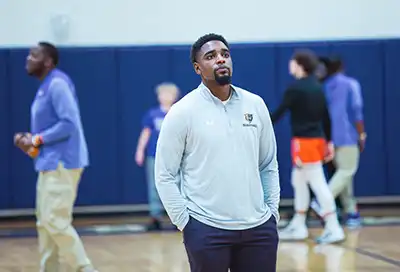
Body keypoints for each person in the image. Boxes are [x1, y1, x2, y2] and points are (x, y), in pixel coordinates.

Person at [155, 33, 280, 272]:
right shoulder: (182, 112)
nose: (221, 59)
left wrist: (271, 213)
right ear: (197, 68)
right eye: (211, 56)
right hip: (206, 229)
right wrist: (186, 223)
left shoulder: (255, 104)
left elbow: (268, 164)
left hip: (258, 229)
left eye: (225, 54)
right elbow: (165, 174)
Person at [14, 41, 97, 272]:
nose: (28, 59)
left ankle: (85, 268)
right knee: (45, 223)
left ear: (48, 61)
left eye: (34, 55)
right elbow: (49, 132)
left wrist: (36, 139)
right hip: (48, 163)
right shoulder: (46, 86)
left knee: (55, 221)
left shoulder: (57, 84)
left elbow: (69, 124)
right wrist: (31, 142)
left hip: (63, 162)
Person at [271, 49, 345, 244]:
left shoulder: (295, 89)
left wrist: (255, 122)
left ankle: (333, 226)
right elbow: (326, 117)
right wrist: (329, 142)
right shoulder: (318, 86)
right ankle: (299, 223)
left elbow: (277, 114)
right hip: (316, 140)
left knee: (318, 184)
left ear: (300, 65)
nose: (290, 65)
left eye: (293, 62)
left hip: (305, 142)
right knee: (299, 181)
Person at [310, 56, 366, 229]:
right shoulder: (351, 84)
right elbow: (356, 111)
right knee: (347, 171)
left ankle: (350, 212)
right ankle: (321, 202)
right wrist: (361, 133)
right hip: (348, 135)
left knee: (343, 176)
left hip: (330, 136)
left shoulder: (325, 86)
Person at [135, 82, 180, 231]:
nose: (165, 97)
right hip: (154, 155)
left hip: (175, 156)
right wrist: (140, 150)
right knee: (154, 187)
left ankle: (177, 217)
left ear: (175, 96)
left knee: (177, 186)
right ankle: (155, 216)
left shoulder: (178, 112)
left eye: (169, 94)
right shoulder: (152, 114)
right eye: (163, 94)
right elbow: (146, 133)